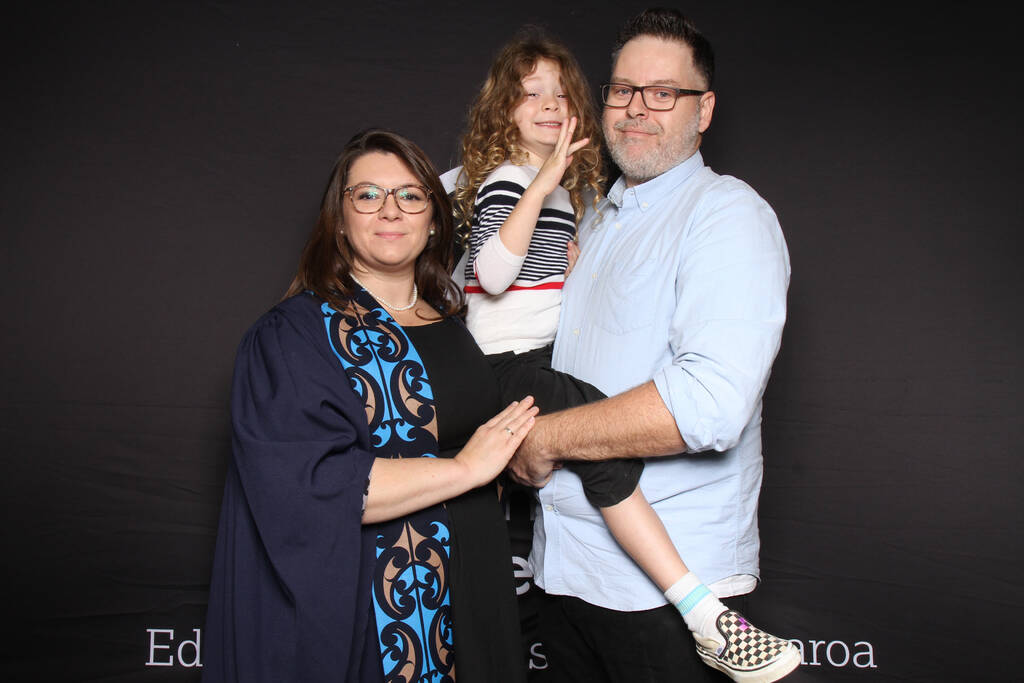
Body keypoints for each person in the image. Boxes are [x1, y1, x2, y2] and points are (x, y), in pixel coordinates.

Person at [454, 28, 797, 683]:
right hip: (565, 578)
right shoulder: (588, 219)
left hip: (660, 602)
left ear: (705, 110)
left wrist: (545, 436)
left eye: (664, 92)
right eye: (624, 89)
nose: (639, 106)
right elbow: (495, 285)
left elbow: (710, 405)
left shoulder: (725, 214)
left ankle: (710, 617)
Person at [202, 128, 537, 683]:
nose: (391, 210)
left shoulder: (454, 329)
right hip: (369, 613)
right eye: (368, 194)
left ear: (433, 221)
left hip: (474, 599)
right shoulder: (293, 336)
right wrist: (464, 469)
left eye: (410, 195)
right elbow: (314, 484)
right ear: (339, 217)